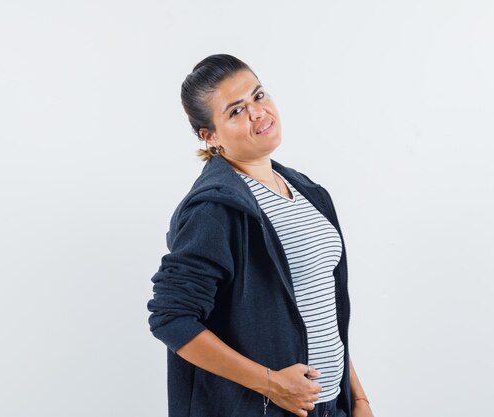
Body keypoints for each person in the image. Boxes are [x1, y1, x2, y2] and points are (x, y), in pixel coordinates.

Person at [147, 54, 374, 417]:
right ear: (210, 136)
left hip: (332, 406)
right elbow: (171, 318)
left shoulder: (308, 192)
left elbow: (322, 310)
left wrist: (358, 398)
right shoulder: (214, 210)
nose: (257, 112)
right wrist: (273, 384)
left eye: (259, 95)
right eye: (235, 111)